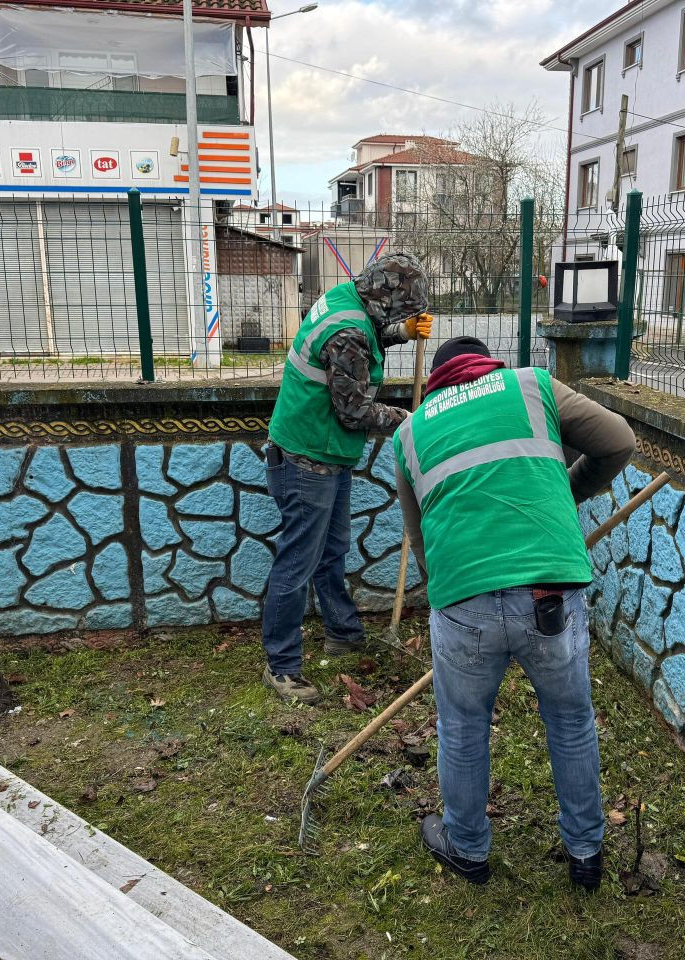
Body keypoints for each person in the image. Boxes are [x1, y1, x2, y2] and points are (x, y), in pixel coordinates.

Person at [393, 336, 636, 888]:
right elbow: (619, 442)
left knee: (462, 725)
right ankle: (586, 853)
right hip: (549, 592)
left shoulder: (410, 432)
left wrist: (456, 596)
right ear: (486, 364)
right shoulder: (531, 386)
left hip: (463, 595)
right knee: (570, 720)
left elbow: (420, 537)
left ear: (435, 381)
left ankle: (466, 847)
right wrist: (566, 492)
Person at [262, 252, 433, 704]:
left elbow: (369, 334)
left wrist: (400, 333)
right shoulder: (349, 333)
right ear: (384, 298)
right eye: (400, 311)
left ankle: (341, 632)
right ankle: (281, 666)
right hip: (307, 460)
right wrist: (410, 420)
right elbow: (354, 411)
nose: (399, 317)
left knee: (331, 550)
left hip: (323, 453)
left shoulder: (345, 297)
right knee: (298, 562)